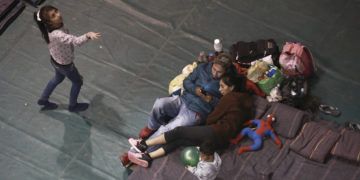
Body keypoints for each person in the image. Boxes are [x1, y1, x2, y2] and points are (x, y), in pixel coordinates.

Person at [120, 54, 235, 166]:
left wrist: (210, 100)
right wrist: (195, 90)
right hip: (183, 99)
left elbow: (223, 105)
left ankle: (138, 153)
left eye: (219, 72)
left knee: (169, 128)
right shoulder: (203, 68)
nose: (215, 73)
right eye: (214, 69)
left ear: (226, 71)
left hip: (197, 111)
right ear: (212, 63)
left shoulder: (226, 83)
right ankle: (151, 128)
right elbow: (186, 82)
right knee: (160, 104)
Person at [126, 74, 254, 168]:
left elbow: (211, 118)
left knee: (178, 132)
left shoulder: (230, 98)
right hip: (222, 141)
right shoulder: (245, 101)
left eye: (222, 86)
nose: (220, 90)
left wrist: (205, 123)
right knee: (180, 141)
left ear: (231, 88)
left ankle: (143, 144)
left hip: (215, 132)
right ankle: (147, 157)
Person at [33, 5, 100, 112]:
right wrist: (87, 35)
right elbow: (76, 41)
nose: (58, 14)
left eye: (56, 11)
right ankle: (73, 106)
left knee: (57, 78)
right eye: (53, 15)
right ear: (49, 22)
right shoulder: (58, 34)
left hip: (55, 61)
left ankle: (43, 99)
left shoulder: (48, 28)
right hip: (65, 65)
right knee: (77, 82)